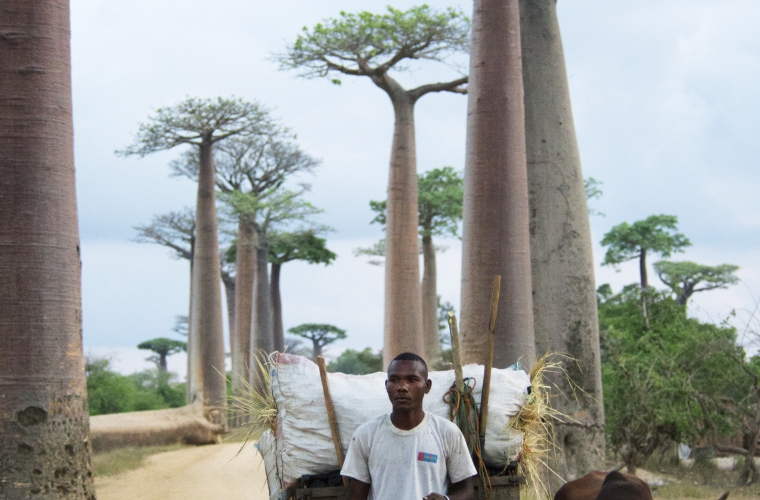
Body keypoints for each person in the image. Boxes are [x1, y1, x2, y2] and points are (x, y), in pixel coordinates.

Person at [341, 352, 476, 500]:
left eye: (412, 380)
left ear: (427, 386)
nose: (402, 387)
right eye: (394, 380)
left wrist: (446, 499)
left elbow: (467, 491)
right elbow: (356, 495)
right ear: (386, 386)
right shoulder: (366, 434)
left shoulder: (447, 432)